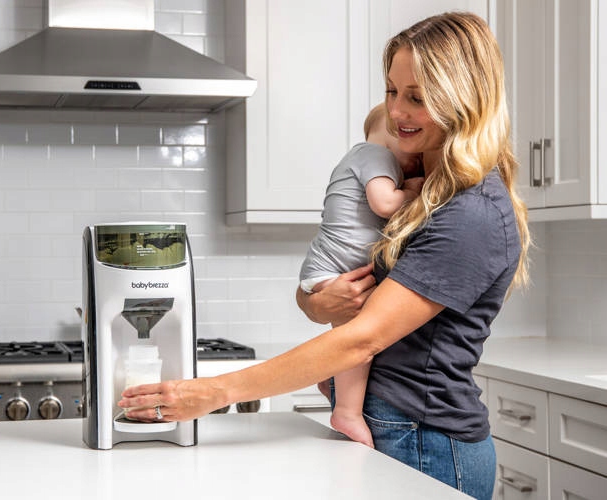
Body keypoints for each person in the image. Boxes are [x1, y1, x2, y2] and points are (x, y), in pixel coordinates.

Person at [119, 12, 530, 500]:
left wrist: (213, 391)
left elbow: (363, 338)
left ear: (465, 100)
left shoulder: (471, 212)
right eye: (391, 91)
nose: (396, 111)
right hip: (392, 426)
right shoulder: (418, 187)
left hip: (426, 442)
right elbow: (344, 286)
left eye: (417, 97)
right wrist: (315, 301)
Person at [299, 104, 424, 446]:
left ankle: (332, 379)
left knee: (352, 333)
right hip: (335, 269)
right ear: (392, 134)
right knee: (359, 338)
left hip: (331, 267)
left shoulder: (367, 159)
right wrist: (414, 192)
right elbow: (385, 204)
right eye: (412, 157)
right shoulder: (374, 154)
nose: (414, 165)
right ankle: (347, 412)